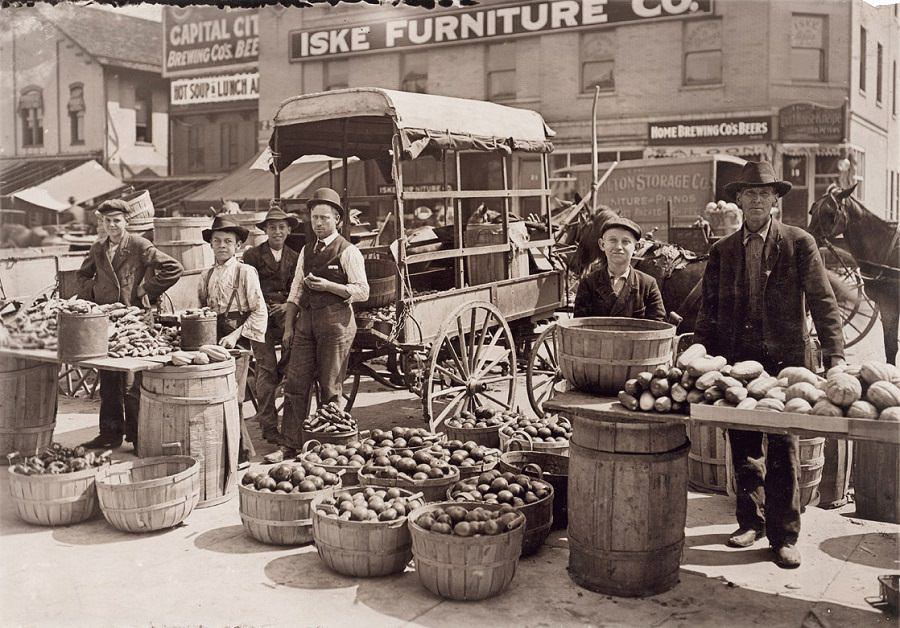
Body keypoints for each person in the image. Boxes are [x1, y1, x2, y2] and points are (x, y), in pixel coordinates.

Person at [693, 161, 845, 569]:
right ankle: (750, 521)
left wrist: (836, 358)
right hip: (738, 362)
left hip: (786, 365)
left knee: (782, 448)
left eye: (765, 194)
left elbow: (823, 302)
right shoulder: (722, 251)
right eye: (749, 193)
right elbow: (707, 312)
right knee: (743, 445)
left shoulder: (798, 243)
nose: (757, 200)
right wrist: (701, 356)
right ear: (738, 200)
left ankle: (784, 535)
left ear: (775, 200)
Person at [77, 199, 184, 449]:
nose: (112, 225)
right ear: (102, 223)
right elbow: (82, 275)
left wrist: (147, 287)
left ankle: (138, 437)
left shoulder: (138, 245)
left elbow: (173, 268)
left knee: (132, 383)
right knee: (109, 380)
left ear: (127, 221)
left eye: (117, 220)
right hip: (107, 321)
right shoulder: (98, 248)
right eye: (107, 221)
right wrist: (93, 292)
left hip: (134, 320)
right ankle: (110, 434)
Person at [276, 188, 369, 459]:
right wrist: (289, 327)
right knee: (295, 382)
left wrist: (329, 285)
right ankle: (290, 444)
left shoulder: (348, 251)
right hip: (307, 322)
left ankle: (331, 447)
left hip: (336, 323)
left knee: (330, 386)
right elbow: (295, 291)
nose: (318, 223)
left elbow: (363, 291)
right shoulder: (306, 251)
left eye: (324, 218)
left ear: (337, 220)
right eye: (315, 218)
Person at [241, 206, 300, 446]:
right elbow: (247, 288)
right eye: (272, 227)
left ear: (288, 231)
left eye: (281, 227)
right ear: (265, 230)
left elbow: (298, 288)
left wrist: (288, 305)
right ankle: (268, 426)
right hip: (260, 316)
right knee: (265, 368)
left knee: (294, 355)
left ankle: (282, 374)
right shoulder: (252, 256)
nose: (277, 231)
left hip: (286, 315)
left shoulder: (296, 257)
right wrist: (264, 307)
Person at [573, 216, 666, 321]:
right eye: (613, 240)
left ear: (636, 247)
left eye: (625, 241)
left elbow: (658, 326)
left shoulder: (648, 285)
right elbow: (579, 327)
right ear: (602, 244)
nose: (618, 247)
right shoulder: (588, 283)